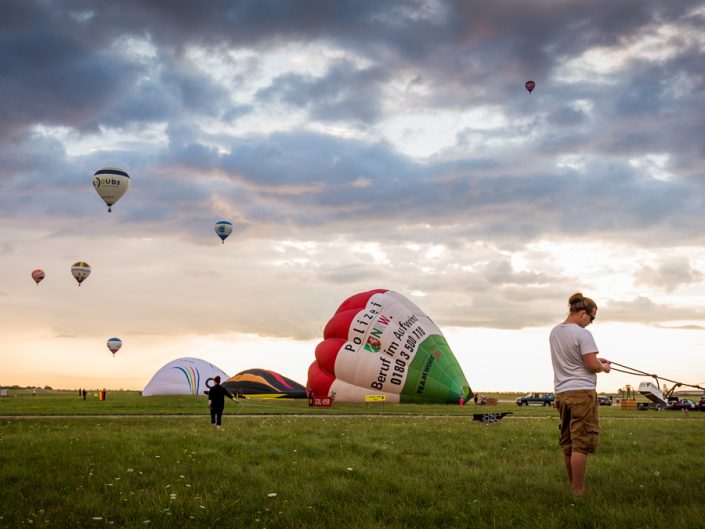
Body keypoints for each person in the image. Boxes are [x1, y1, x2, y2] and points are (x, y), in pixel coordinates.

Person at [549, 292, 611, 496]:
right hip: (581, 393)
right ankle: (578, 490)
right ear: (582, 313)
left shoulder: (555, 332)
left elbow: (575, 359)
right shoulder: (583, 334)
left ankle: (573, 486)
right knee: (581, 443)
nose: (591, 322)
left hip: (561, 393)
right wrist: (603, 367)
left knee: (568, 443)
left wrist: (597, 361)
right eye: (592, 318)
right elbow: (590, 364)